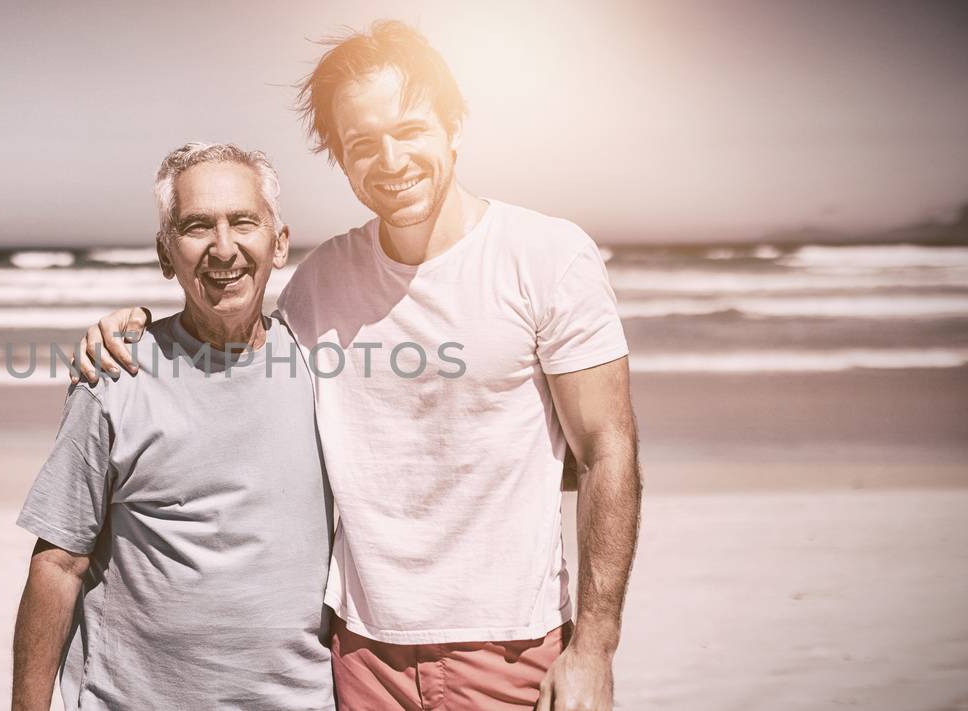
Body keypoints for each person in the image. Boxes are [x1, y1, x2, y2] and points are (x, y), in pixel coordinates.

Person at [71, 21, 642, 711]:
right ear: (341, 160)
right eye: (362, 145)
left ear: (452, 126)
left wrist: (596, 646)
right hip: (357, 652)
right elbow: (232, 346)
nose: (392, 160)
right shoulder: (321, 282)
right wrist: (137, 330)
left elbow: (608, 448)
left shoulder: (547, 256)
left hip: (510, 644)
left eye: (411, 131)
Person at [10, 142, 334, 711]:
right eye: (196, 227)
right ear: (166, 254)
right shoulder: (115, 374)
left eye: (244, 222)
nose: (224, 248)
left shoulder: (325, 367)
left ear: (279, 243)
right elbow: (59, 561)